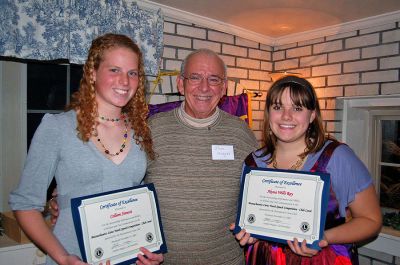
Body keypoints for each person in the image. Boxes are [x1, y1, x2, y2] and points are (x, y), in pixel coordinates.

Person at [9, 33, 163, 265]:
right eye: (114, 70)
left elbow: (134, 195)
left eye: (132, 73)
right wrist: (63, 258)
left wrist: (151, 249)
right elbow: (24, 204)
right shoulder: (58, 127)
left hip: (127, 258)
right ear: (92, 73)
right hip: (73, 257)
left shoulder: (140, 131)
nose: (125, 81)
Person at [233, 75, 382, 264]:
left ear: (312, 115)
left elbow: (371, 220)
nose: (286, 116)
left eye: (297, 108)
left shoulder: (336, 157)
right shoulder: (253, 163)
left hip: (323, 259)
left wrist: (323, 238)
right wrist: (249, 232)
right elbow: (255, 219)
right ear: (268, 113)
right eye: (278, 107)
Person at [144, 49, 259, 264]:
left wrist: (258, 227)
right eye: (195, 77)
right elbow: (129, 187)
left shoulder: (241, 133)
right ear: (181, 84)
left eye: (213, 79)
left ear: (223, 88)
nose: (204, 87)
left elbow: (259, 195)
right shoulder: (152, 130)